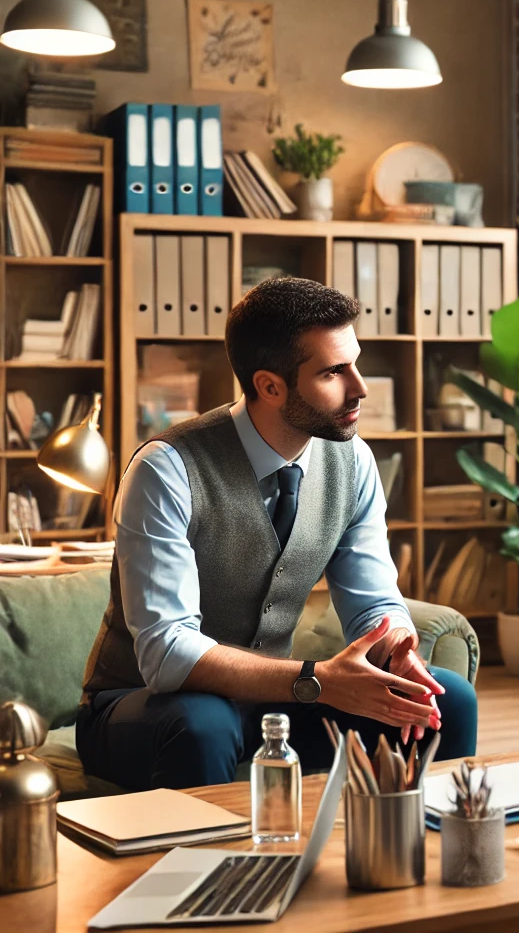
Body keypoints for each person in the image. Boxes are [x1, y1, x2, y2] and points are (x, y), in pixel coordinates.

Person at [77, 277, 477, 790]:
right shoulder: (165, 469)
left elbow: (374, 602)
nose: (360, 387)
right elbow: (166, 653)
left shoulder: (354, 462)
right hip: (139, 707)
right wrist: (317, 679)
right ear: (270, 386)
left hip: (280, 700)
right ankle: (213, 869)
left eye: (355, 362)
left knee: (449, 699)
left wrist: (394, 645)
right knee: (204, 723)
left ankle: (406, 851)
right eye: (334, 372)